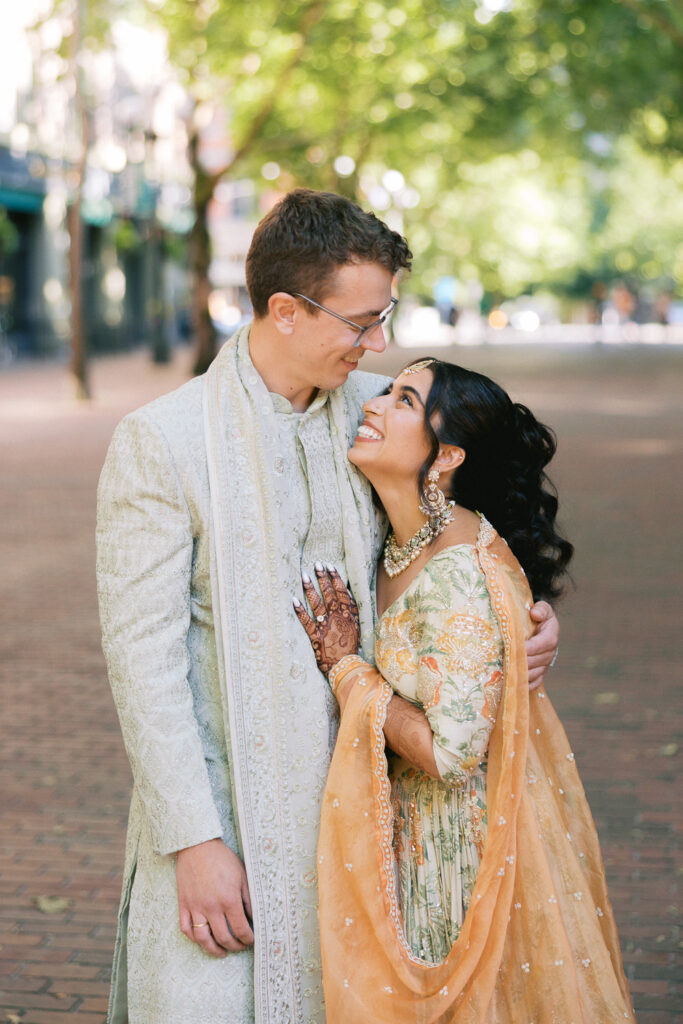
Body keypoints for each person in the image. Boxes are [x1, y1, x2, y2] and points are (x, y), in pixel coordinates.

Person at [96, 190, 559, 1024]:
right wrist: (192, 843)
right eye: (360, 321)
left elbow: (475, 522)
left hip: (373, 824)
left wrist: (524, 618)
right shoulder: (162, 442)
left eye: (384, 316)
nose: (377, 342)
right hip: (227, 813)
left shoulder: (378, 416)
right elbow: (143, 661)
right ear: (285, 309)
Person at [294, 358, 634, 1022]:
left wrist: (344, 668)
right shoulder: (401, 536)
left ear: (446, 454)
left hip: (453, 862)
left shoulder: (457, 577)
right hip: (411, 838)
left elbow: (452, 754)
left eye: (402, 400)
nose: (373, 405)